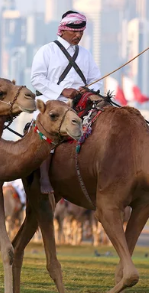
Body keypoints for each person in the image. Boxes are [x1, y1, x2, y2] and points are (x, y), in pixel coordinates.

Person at [30, 10, 101, 193]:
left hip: (81, 103)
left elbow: (97, 79)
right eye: (74, 32)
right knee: (47, 132)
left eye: (81, 32)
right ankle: (44, 178)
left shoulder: (86, 54)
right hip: (54, 103)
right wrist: (62, 91)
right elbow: (36, 79)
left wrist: (88, 90)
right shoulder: (47, 51)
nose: (78, 35)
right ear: (62, 30)